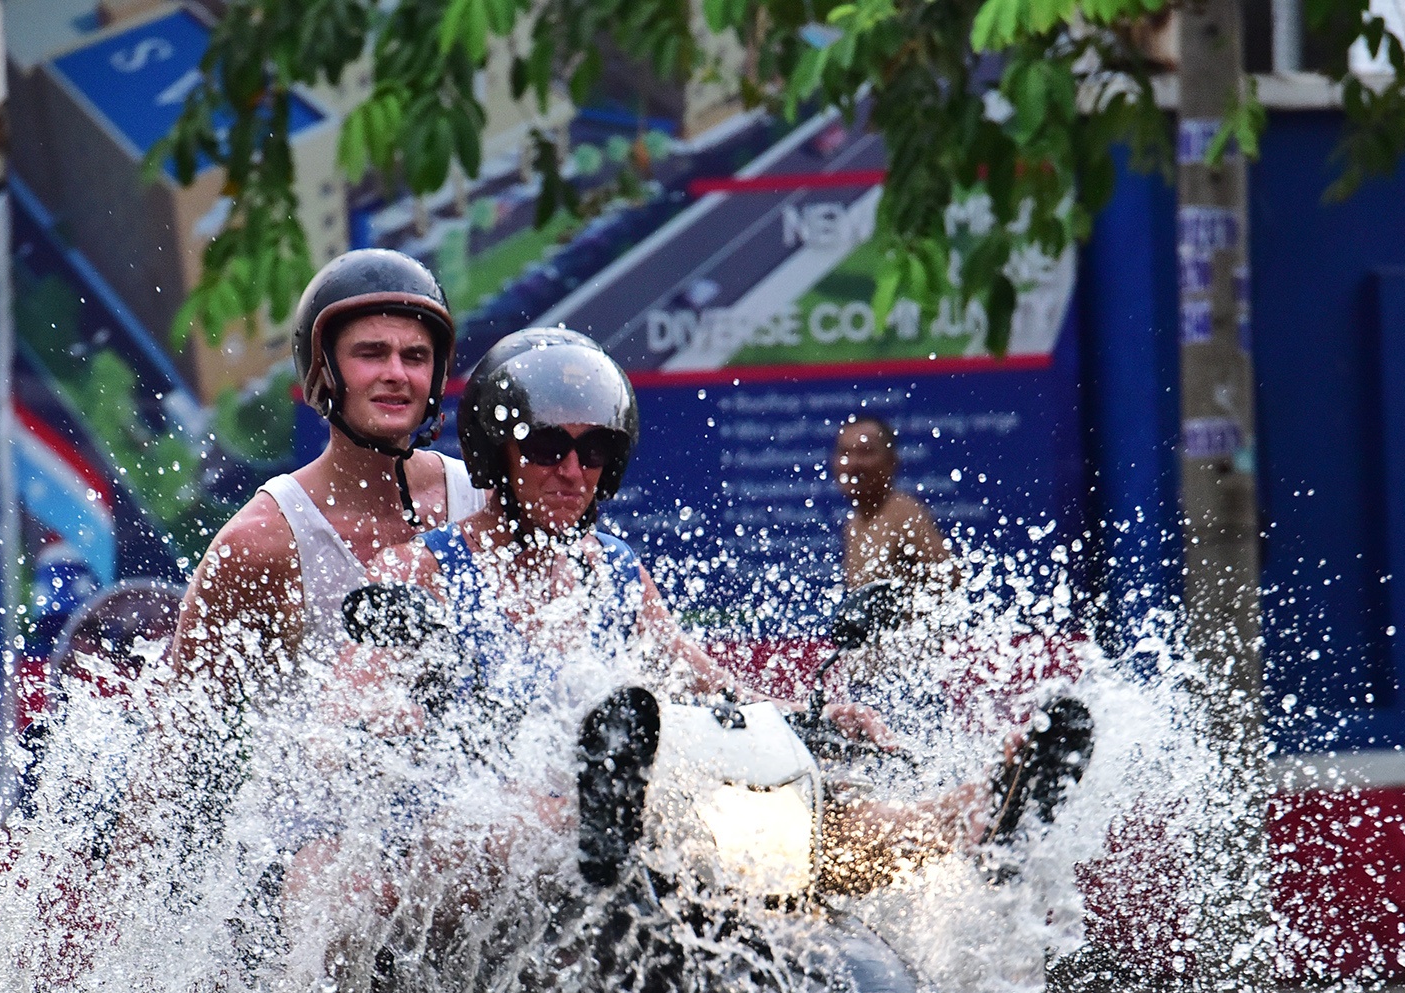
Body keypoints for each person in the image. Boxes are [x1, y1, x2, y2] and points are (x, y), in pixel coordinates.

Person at [366, 331, 992, 891]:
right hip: (487, 855)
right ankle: (599, 814)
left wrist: (806, 721)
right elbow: (352, 705)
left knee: (798, 803)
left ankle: (968, 817)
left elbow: (708, 683)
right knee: (552, 811)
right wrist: (404, 707)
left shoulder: (613, 571)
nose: (573, 471)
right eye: (547, 446)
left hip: (636, 833)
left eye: (594, 451)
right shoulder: (422, 571)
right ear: (492, 451)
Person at [170, 249, 487, 703]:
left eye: (415, 356)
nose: (396, 373)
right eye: (372, 353)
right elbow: (178, 746)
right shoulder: (259, 543)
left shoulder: (485, 502)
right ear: (323, 371)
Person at [832, 415, 958, 591]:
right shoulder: (853, 525)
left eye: (865, 452)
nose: (853, 463)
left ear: (891, 461)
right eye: (845, 452)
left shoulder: (902, 513)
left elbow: (952, 578)